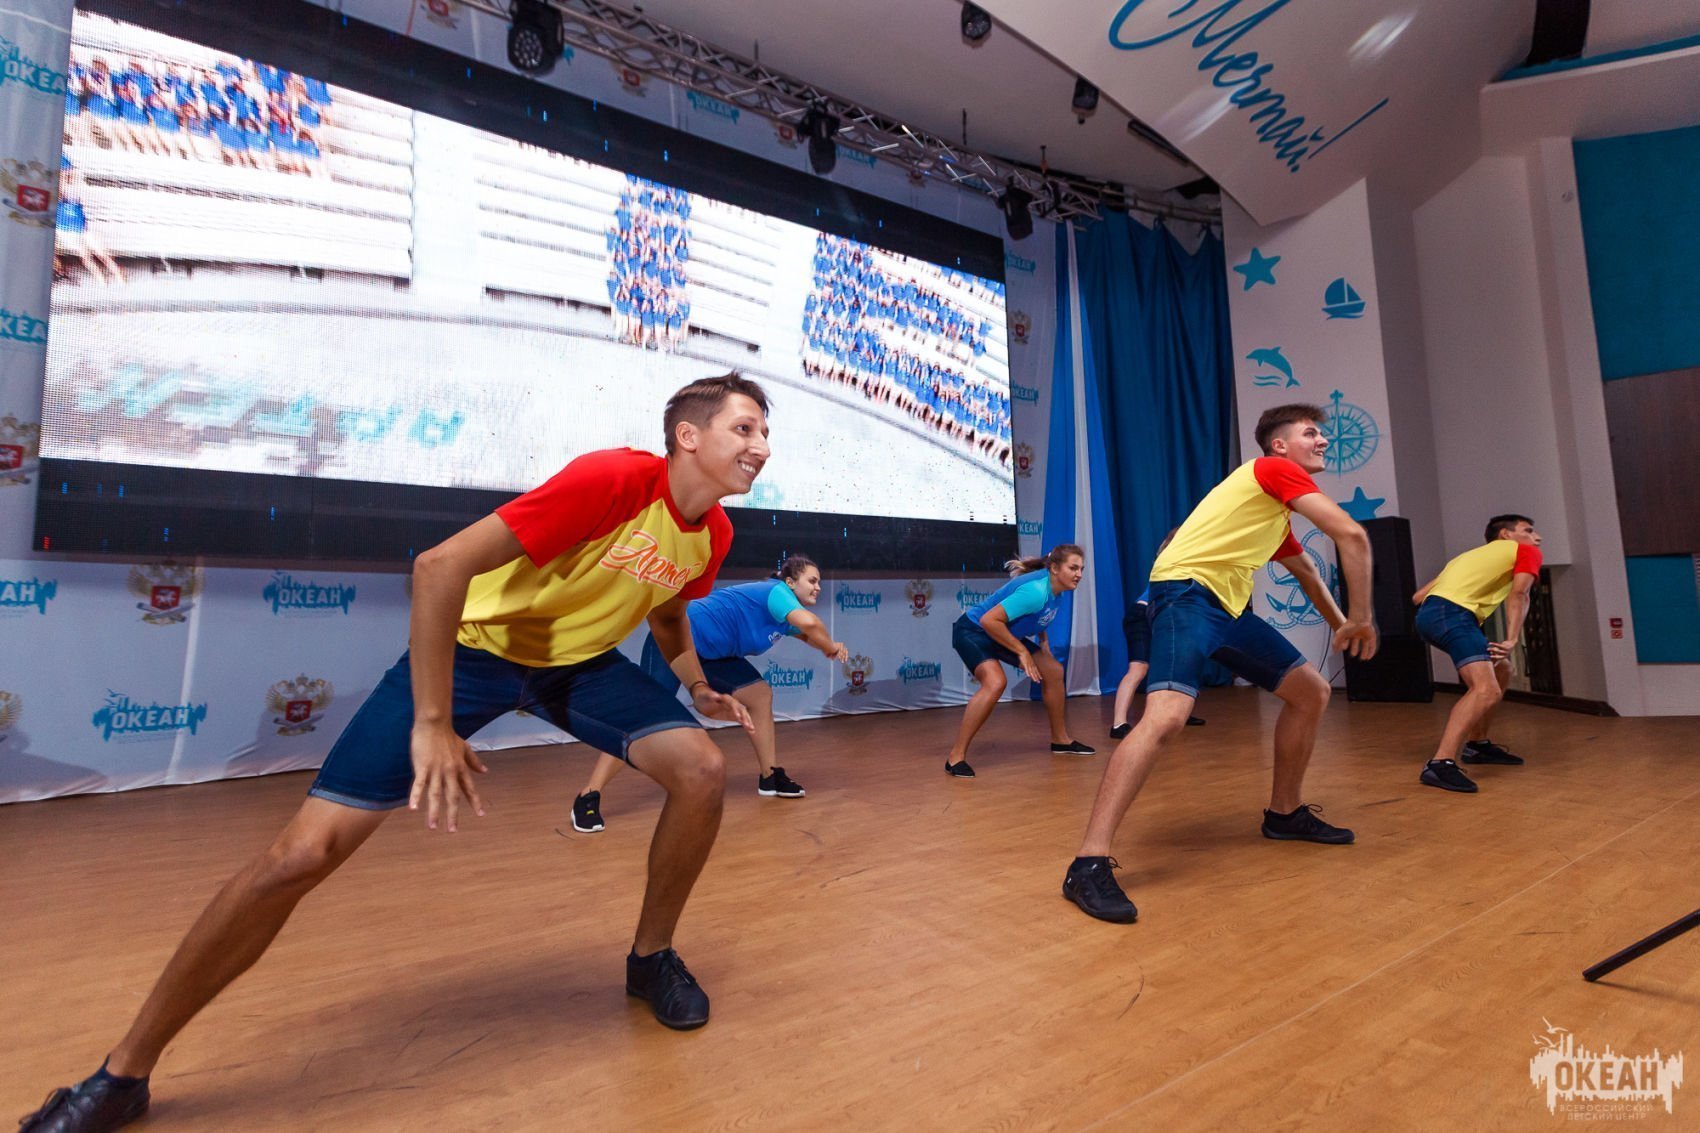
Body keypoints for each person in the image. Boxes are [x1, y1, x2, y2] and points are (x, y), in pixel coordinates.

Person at [19, 374, 772, 1133]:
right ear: (688, 436)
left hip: (576, 666)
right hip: (473, 654)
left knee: (702, 769)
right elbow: (439, 567)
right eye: (744, 428)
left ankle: (650, 959)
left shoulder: (713, 533)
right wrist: (433, 721)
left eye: (765, 433)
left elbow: (667, 608)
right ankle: (122, 1075)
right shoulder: (614, 480)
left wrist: (696, 684)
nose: (760, 446)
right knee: (300, 855)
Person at [1062, 403, 1378, 924]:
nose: (1322, 440)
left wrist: (1342, 622)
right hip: (1187, 595)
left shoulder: (1270, 513)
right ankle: (1087, 863)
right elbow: (1352, 535)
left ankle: (1284, 814)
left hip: (1225, 610)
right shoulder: (1271, 470)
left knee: (1311, 692)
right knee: (1166, 718)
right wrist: (1363, 618)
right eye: (1310, 433)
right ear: (1279, 446)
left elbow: (1306, 574)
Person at [570, 553, 848, 833]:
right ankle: (588, 795)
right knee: (640, 721)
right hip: (677, 640)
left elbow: (807, 635)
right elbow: (811, 625)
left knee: (759, 695)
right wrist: (831, 646)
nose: (818, 587)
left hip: (714, 654)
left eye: (819, 583)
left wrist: (827, 646)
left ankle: (770, 776)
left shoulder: (784, 619)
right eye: (812, 581)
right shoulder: (777, 593)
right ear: (790, 582)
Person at [1410, 514, 1543, 793]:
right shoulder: (1526, 551)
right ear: (1506, 534)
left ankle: (1477, 744)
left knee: (1502, 668)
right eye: (1529, 530)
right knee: (1486, 689)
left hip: (1431, 616)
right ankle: (1440, 764)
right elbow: (1520, 594)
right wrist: (1512, 638)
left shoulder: (1465, 558)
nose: (1537, 537)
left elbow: (1418, 597)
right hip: (1454, 615)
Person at [944, 545, 1096, 777]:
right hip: (974, 631)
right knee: (995, 683)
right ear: (1055, 568)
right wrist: (1023, 653)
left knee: (1054, 671)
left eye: (1081, 569)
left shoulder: (1058, 590)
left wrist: (1044, 648)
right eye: (1073, 568)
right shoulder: (1035, 591)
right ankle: (955, 757)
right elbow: (989, 621)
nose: (1079, 574)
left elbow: (1039, 619)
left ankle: (1060, 740)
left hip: (1002, 632)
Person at [1109, 532, 1204, 738]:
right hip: (1142, 614)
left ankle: (1180, 711)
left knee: (1182, 664)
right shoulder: (1172, 561)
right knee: (1138, 668)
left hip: (1164, 616)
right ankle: (1118, 724)